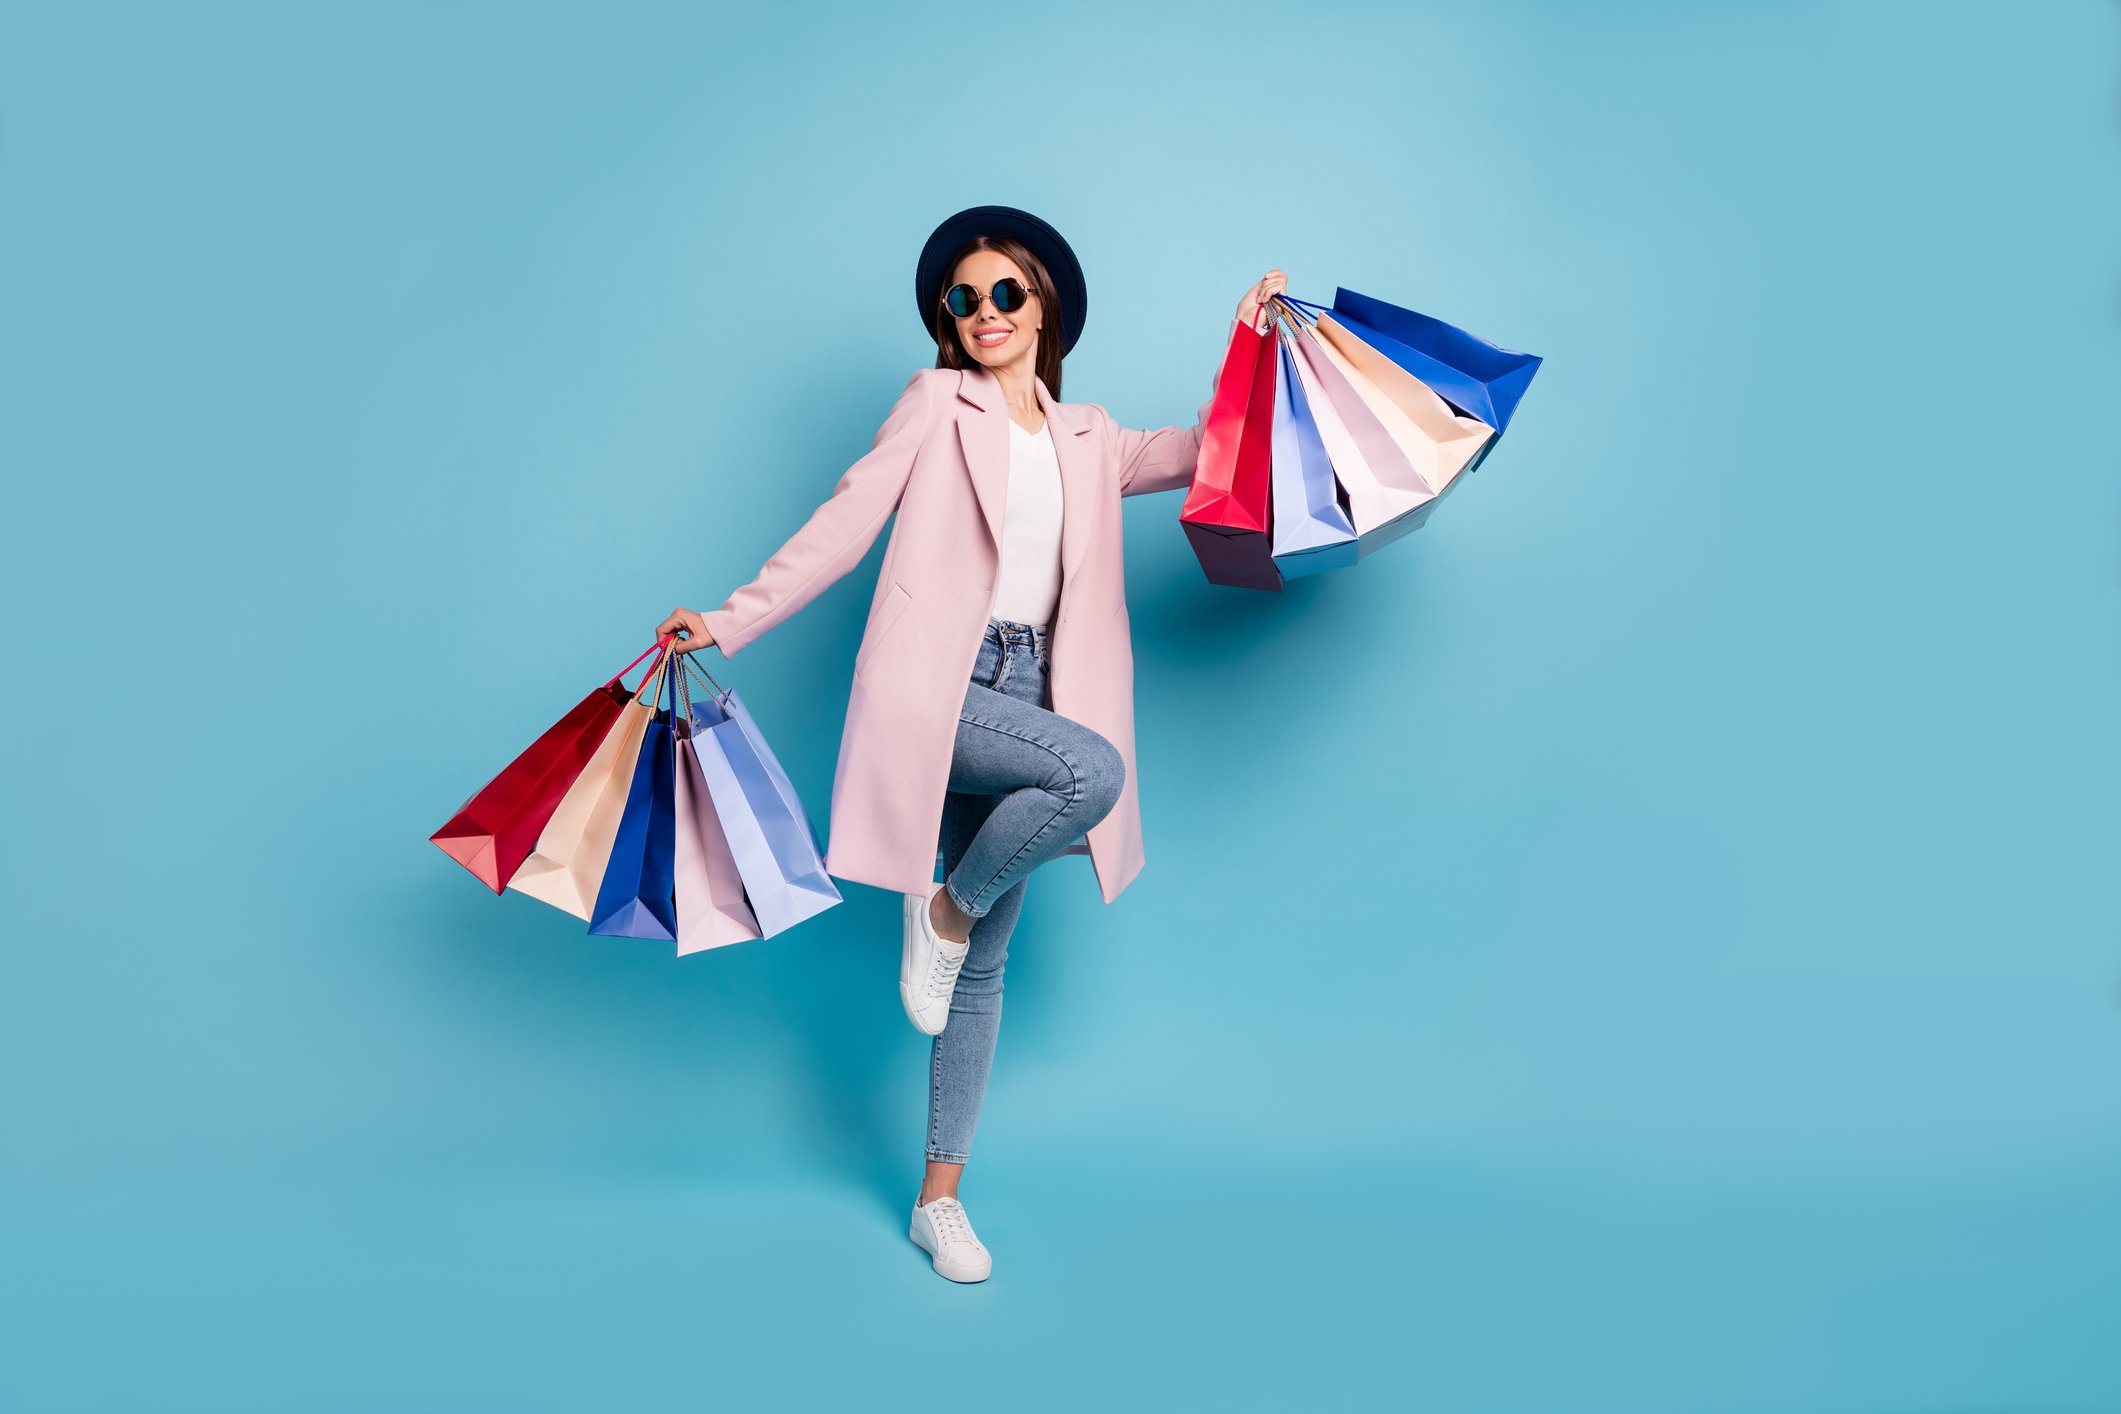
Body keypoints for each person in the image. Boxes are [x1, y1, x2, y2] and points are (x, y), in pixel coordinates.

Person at [658, 204, 1284, 1282]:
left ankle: (937, 1199)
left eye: (1005, 292)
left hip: (1034, 682)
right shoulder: (935, 404)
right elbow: (845, 522)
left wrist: (1255, 345)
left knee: (980, 969)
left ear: (1045, 306)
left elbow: (1214, 447)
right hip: (939, 686)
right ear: (948, 320)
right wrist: (733, 616)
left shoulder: (1093, 436)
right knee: (1087, 772)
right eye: (964, 297)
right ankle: (940, 907)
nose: (984, 311)